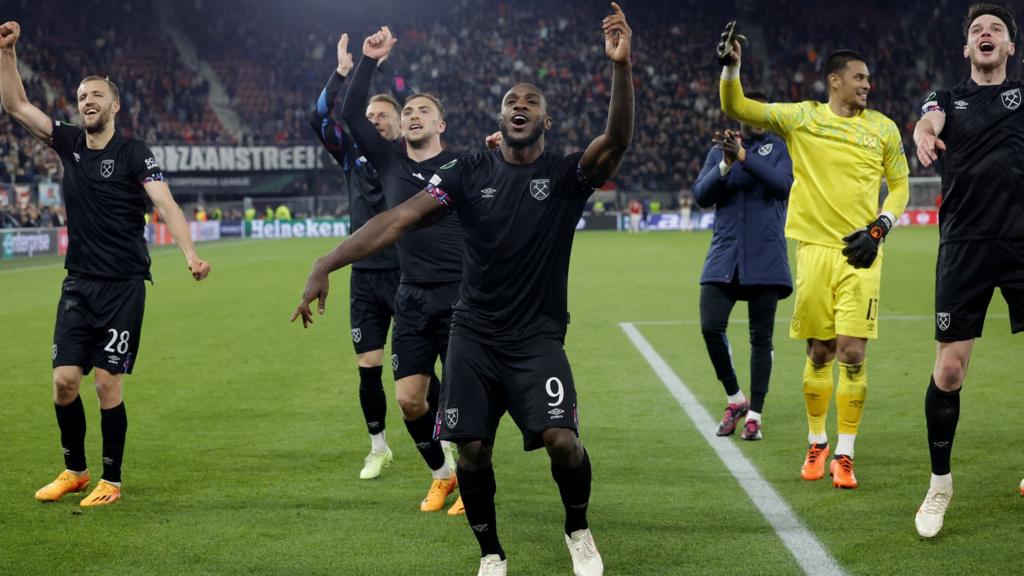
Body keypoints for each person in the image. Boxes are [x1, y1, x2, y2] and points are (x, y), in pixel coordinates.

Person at [292, 5, 632, 574]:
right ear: (499, 118)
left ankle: (578, 528)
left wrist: (621, 68)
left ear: (545, 122)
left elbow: (616, 140)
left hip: (536, 337)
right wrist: (327, 261)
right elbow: (397, 219)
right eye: (511, 101)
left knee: (562, 440)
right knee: (471, 448)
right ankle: (492, 553)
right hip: (472, 331)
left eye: (531, 102)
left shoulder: (566, 176)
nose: (519, 106)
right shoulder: (469, 172)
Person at [0, 21, 211, 507]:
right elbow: (15, 106)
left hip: (123, 287)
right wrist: (8, 54)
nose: (87, 101)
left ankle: (111, 480)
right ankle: (75, 470)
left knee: (106, 383)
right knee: (63, 381)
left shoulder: (135, 152)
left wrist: (190, 254)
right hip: (78, 285)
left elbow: (166, 204)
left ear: (114, 105)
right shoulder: (69, 143)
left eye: (96, 95)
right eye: (81, 96)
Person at [719, 36, 909, 488]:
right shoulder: (802, 118)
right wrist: (731, 69)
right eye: (859, 77)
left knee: (853, 353)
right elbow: (739, 107)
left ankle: (846, 452)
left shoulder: (883, 129)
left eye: (868, 78)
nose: (868, 84)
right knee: (819, 352)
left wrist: (880, 226)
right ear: (835, 81)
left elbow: (900, 187)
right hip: (814, 253)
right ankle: (817, 441)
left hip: (863, 251)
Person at [338, 27, 464, 514]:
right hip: (410, 295)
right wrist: (368, 62)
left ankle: (475, 486)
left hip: (458, 295)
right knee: (411, 400)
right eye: (407, 111)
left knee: (459, 400)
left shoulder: (463, 164)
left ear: (441, 124)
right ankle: (442, 476)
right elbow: (351, 114)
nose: (412, 115)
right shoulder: (389, 161)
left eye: (422, 111)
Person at [912, 3, 1024, 538]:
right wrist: (924, 134)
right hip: (964, 245)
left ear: (1009, 47)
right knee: (950, 371)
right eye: (977, 30)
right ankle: (940, 485)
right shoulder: (948, 97)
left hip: (1023, 242)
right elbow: (928, 118)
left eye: (995, 30)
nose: (985, 34)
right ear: (966, 48)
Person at [308, 32, 403, 480]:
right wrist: (343, 72)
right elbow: (319, 117)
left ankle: (445, 443)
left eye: (383, 116)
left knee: (419, 371)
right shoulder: (352, 158)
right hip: (364, 277)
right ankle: (378, 446)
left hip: (410, 276)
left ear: (401, 124)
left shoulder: (410, 160)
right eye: (369, 116)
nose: (375, 121)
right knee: (369, 369)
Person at [691, 89, 793, 441]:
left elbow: (782, 186)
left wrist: (745, 156)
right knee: (710, 325)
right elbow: (701, 196)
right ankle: (735, 398)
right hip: (725, 257)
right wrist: (725, 163)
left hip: (765, 256)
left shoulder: (780, 148)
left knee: (760, 338)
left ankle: (755, 416)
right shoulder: (719, 152)